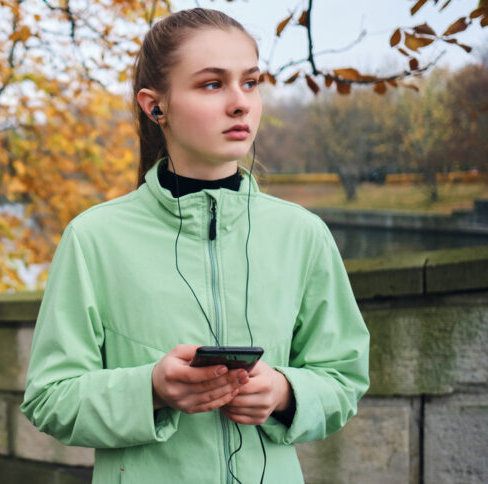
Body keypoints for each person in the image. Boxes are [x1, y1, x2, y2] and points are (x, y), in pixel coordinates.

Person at [20, 8, 370, 484]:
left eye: (250, 82)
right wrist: (151, 389)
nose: (240, 103)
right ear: (154, 106)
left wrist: (286, 392)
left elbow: (344, 378)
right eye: (212, 84)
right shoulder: (93, 239)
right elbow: (49, 398)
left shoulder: (304, 235)